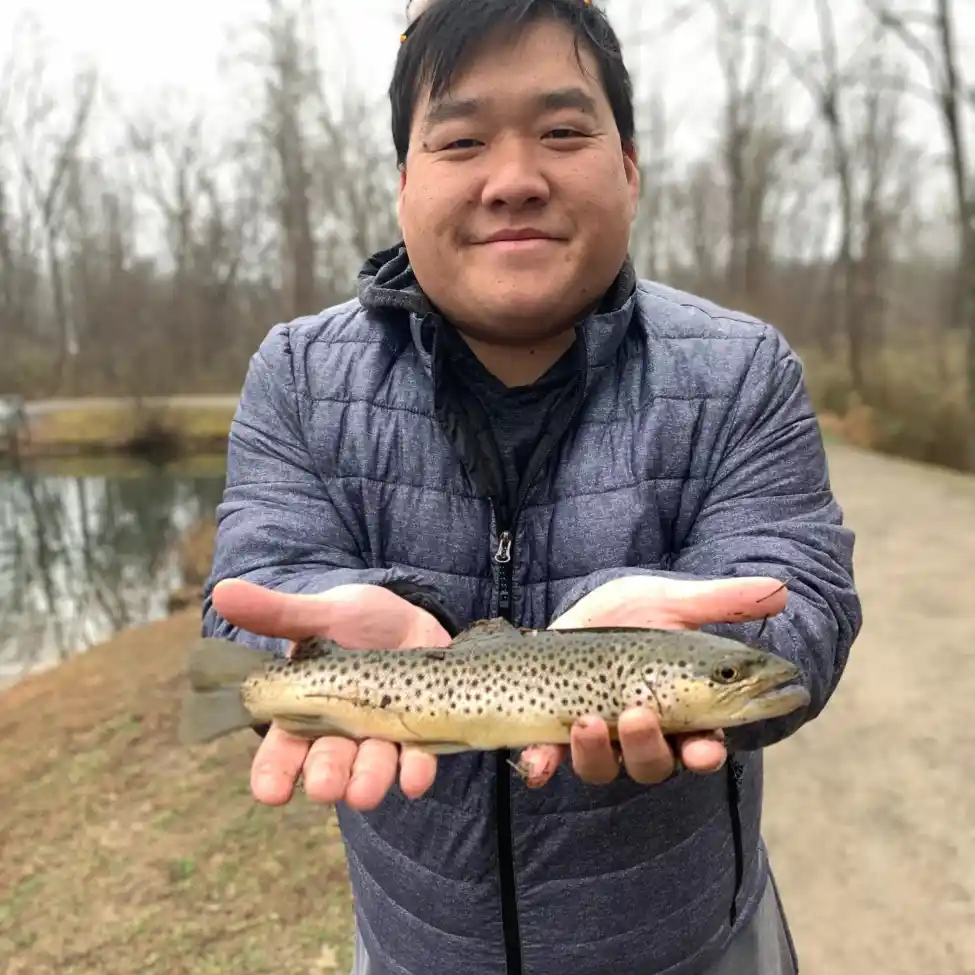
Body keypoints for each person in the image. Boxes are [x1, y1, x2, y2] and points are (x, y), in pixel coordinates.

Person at [201, 1, 862, 973]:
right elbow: (252, 596)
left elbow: (801, 598)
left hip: (694, 948)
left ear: (629, 168)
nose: (514, 180)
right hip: (414, 950)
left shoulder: (741, 369)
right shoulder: (296, 375)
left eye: (562, 131)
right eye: (462, 140)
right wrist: (296, 640)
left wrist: (727, 648)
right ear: (403, 185)